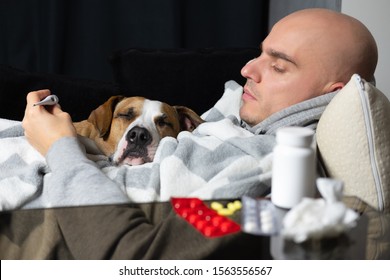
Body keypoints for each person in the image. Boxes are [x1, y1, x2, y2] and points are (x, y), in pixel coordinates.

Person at [1, 8, 378, 259]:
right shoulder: (233, 124)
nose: (248, 68)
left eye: (278, 66)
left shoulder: (274, 169)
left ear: (334, 94)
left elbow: (132, 258)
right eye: (260, 54)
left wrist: (59, 147)